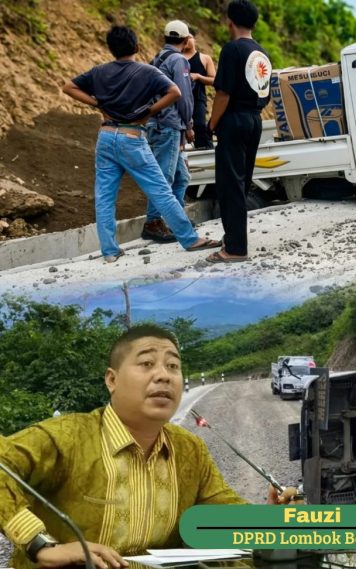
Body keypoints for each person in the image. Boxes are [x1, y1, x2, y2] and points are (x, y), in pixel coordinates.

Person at [0, 324, 288, 569]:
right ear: (112, 380)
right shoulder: (68, 437)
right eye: (147, 364)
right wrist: (41, 546)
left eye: (173, 366)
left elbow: (223, 513)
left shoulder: (189, 449)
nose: (163, 375)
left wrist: (276, 521)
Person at [62, 26, 221, 262]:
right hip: (132, 138)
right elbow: (175, 92)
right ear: (137, 47)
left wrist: (98, 105)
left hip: (105, 137)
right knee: (161, 191)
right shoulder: (146, 71)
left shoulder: (99, 72)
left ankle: (110, 251)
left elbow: (69, 87)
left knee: (104, 197)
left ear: (110, 49)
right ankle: (190, 239)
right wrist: (148, 112)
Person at [206, 0, 271, 264]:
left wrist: (211, 124)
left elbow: (223, 93)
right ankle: (233, 237)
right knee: (241, 183)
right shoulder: (261, 52)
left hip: (234, 119)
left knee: (229, 185)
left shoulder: (232, 49)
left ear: (229, 22)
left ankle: (235, 249)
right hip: (255, 119)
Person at [141, 20, 196, 243]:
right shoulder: (179, 60)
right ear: (185, 40)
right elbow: (183, 96)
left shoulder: (156, 59)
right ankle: (152, 223)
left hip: (155, 124)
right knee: (164, 176)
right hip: (169, 125)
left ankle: (176, 219)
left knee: (182, 177)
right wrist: (189, 125)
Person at [184, 27, 216, 149]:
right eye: (184, 38)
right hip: (179, 99)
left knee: (199, 125)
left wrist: (198, 77)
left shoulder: (204, 58)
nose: (186, 40)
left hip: (198, 98)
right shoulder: (175, 58)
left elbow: (214, 80)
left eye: (189, 37)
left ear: (195, 39)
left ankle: (205, 152)